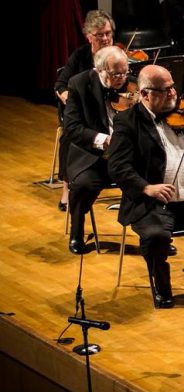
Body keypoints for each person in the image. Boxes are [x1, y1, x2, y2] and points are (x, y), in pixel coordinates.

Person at [108, 64, 184, 308]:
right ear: (145, 94)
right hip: (156, 205)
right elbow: (118, 167)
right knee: (154, 237)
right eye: (165, 90)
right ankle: (162, 287)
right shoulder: (128, 123)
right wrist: (146, 187)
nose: (173, 94)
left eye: (173, 87)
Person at [62, 46, 131, 254]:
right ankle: (77, 231)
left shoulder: (133, 84)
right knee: (82, 186)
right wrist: (103, 140)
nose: (122, 78)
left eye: (125, 72)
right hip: (96, 156)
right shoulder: (79, 84)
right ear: (99, 70)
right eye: (115, 73)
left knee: (157, 176)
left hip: (128, 157)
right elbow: (72, 128)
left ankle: (156, 235)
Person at [54, 10, 116, 212]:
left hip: (110, 116)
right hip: (82, 117)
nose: (106, 38)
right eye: (100, 35)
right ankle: (67, 190)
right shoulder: (80, 56)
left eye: (108, 33)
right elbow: (60, 85)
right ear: (89, 36)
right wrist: (74, 102)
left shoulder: (117, 56)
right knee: (68, 139)